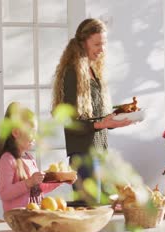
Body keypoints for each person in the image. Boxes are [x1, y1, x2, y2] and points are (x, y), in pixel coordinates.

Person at [51, 18, 131, 198]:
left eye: (103, 44)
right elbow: (71, 123)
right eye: (96, 44)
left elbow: (96, 118)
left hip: (99, 153)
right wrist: (100, 125)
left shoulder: (93, 71)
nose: (102, 49)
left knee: (104, 211)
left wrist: (115, 120)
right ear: (82, 43)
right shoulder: (72, 74)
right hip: (84, 157)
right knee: (91, 211)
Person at [0, 102, 76, 211]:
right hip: (19, 219)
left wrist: (61, 179)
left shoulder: (30, 158)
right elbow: (4, 193)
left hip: (35, 216)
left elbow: (40, 188)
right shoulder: (8, 159)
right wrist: (29, 182)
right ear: (16, 132)